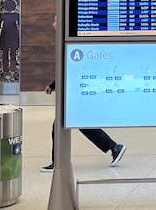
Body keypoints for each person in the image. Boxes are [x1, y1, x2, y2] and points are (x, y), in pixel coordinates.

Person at [41, 15, 126, 172]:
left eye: (55, 20)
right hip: (76, 90)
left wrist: (55, 85)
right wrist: (53, 85)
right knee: (82, 124)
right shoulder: (66, 40)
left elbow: (70, 68)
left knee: (60, 125)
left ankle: (58, 162)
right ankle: (114, 147)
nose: (53, 23)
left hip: (77, 91)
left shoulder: (69, 41)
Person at [0, 0, 20, 80]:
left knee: (5, 53)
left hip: (5, 35)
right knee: (13, 53)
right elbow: (21, 26)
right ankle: (13, 68)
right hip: (14, 35)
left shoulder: (2, 15)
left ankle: (6, 69)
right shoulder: (16, 15)